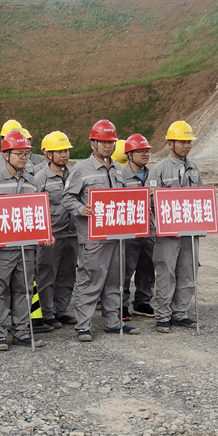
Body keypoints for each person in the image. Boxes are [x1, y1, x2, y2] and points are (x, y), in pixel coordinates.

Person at [62, 119, 140, 342]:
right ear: (93, 143)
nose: (108, 146)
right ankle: (83, 326)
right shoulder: (81, 169)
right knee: (90, 280)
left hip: (116, 237)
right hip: (93, 238)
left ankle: (113, 322)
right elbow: (67, 198)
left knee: (115, 280)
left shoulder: (117, 169)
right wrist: (81, 209)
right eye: (103, 142)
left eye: (111, 142)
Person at [0, 130, 46, 351]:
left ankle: (21, 332)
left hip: (26, 248)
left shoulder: (32, 181)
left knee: (24, 289)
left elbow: (39, 212)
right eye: (19, 154)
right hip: (2, 249)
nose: (24, 158)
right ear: (6, 154)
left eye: (26, 154)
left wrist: (45, 233)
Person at [150, 121, 204, 333]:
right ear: (170, 143)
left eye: (188, 142)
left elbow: (201, 197)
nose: (186, 146)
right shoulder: (159, 170)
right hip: (167, 233)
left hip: (189, 232)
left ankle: (180, 313)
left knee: (188, 271)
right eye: (182, 142)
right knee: (166, 273)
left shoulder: (194, 168)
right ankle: (163, 316)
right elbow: (151, 200)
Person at [31, 131, 78, 329]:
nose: (64, 155)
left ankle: (61, 310)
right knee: (47, 274)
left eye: (66, 151)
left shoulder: (74, 174)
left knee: (68, 274)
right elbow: (35, 207)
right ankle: (47, 312)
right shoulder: (39, 178)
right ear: (48, 154)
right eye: (59, 151)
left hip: (72, 233)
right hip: (51, 235)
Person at [120, 134, 156, 320]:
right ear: (129, 154)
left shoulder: (154, 175)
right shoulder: (120, 176)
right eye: (140, 151)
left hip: (150, 229)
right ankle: (121, 304)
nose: (145, 154)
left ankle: (143, 301)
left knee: (147, 267)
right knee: (125, 269)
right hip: (129, 231)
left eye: (147, 151)